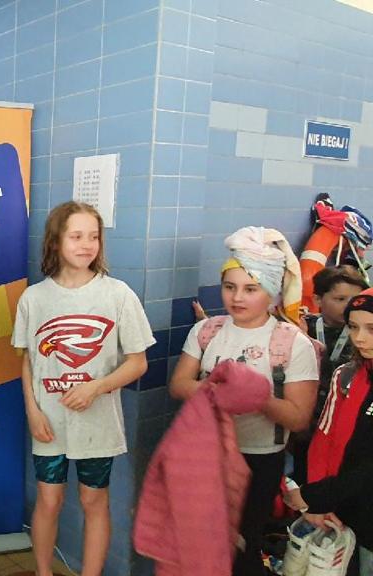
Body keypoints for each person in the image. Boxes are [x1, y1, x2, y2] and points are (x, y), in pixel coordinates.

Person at [12, 201, 153, 576]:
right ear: (56, 241)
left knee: (94, 501)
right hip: (49, 422)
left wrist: (96, 387)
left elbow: (138, 363)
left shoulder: (118, 295)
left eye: (93, 236)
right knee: (49, 500)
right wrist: (32, 410)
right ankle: (43, 572)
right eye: (76, 236)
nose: (86, 244)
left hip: (97, 424)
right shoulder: (34, 298)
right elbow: (28, 360)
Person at [170, 226, 319, 576]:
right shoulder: (207, 331)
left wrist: (257, 397)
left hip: (259, 460)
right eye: (229, 287)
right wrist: (217, 389)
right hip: (204, 453)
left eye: (251, 289)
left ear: (271, 290)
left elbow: (299, 419)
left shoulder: (291, 343)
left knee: (239, 545)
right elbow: (178, 385)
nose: (237, 297)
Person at [285, 288, 373, 576]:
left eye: (371, 329)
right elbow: (325, 438)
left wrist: (317, 495)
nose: (359, 338)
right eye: (353, 327)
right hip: (347, 509)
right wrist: (319, 500)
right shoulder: (348, 376)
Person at [294, 266, 367, 481]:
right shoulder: (300, 327)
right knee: (304, 473)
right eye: (340, 299)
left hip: (344, 420)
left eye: (354, 299)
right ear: (318, 299)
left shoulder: (363, 334)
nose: (348, 306)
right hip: (307, 420)